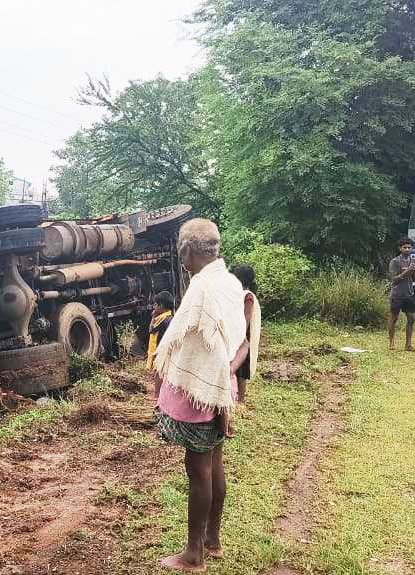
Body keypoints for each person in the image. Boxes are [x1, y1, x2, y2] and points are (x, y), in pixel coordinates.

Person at [151, 219, 246, 571]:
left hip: (203, 391)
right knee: (214, 463)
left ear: (187, 249)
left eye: (180, 249)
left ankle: (193, 554)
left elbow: (201, 346)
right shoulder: (230, 281)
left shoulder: (202, 288)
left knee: (198, 469)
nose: (181, 256)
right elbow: (240, 339)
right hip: (221, 389)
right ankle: (213, 540)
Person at [230, 265, 261, 403]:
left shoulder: (247, 296)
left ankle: (241, 399)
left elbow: (246, 318)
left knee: (241, 369)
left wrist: (239, 335)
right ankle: (235, 395)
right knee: (235, 365)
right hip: (236, 334)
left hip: (243, 336)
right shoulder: (239, 294)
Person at [388, 237, 415, 351]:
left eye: (409, 247)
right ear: (400, 248)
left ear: (412, 249)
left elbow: (414, 279)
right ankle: (391, 342)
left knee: (411, 318)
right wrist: (407, 270)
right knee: (394, 318)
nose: (407, 249)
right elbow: (394, 280)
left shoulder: (413, 261)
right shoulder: (395, 261)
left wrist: (414, 271)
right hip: (397, 294)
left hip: (409, 294)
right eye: (404, 247)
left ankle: (408, 344)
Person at [146, 291, 176, 370]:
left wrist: (153, 317)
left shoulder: (162, 319)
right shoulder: (170, 317)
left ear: (161, 305)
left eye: (155, 304)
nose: (154, 307)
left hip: (159, 351)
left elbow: (151, 330)